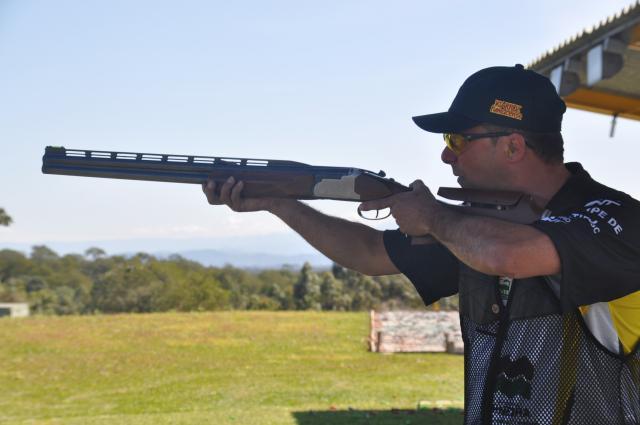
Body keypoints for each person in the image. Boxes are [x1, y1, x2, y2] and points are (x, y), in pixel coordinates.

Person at [203, 64, 640, 424]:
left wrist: (431, 215)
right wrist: (279, 203)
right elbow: (371, 254)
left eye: (457, 140)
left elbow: (509, 255)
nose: (446, 156)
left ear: (512, 146)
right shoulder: (479, 225)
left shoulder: (618, 220)